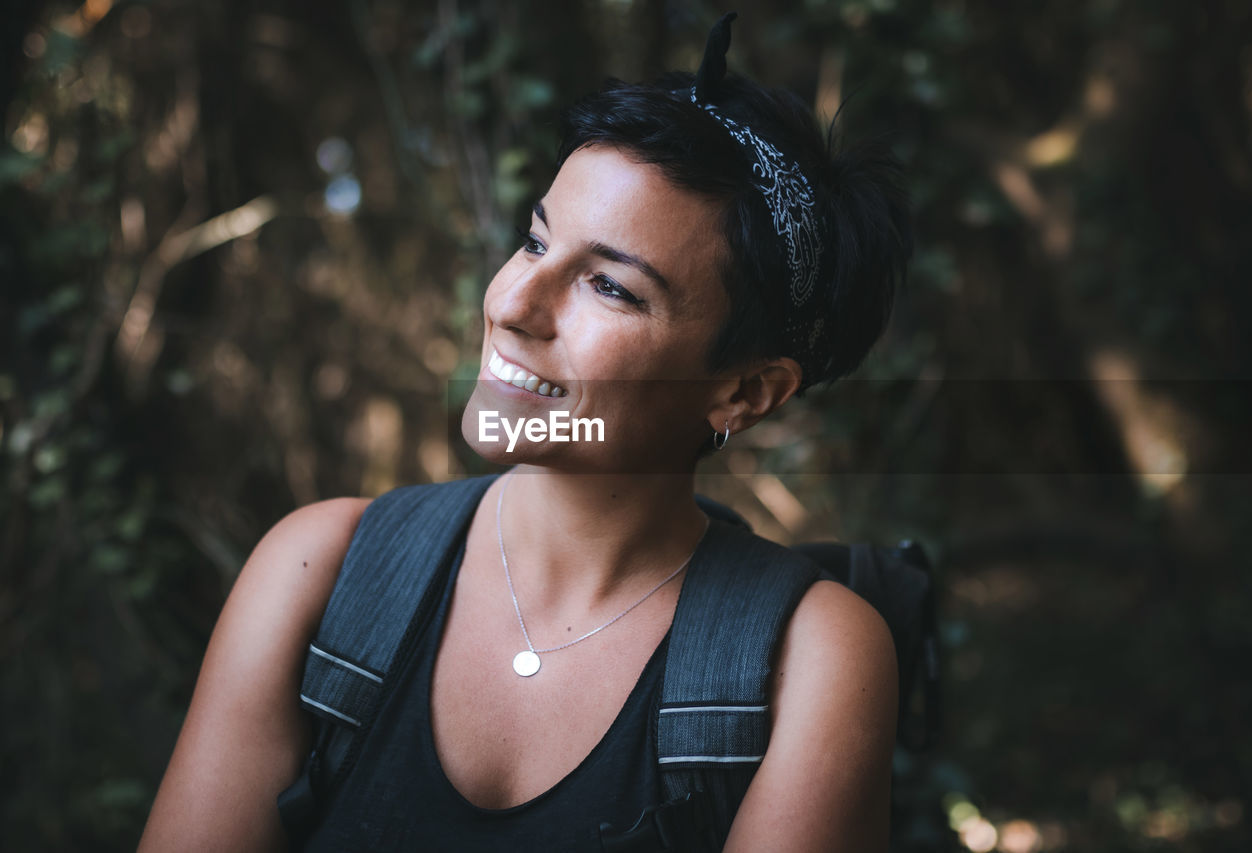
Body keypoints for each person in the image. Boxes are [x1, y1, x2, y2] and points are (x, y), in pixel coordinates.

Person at [139, 13, 912, 852]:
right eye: (534, 241)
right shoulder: (320, 572)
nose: (510, 304)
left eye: (610, 287)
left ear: (745, 390)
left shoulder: (811, 659)